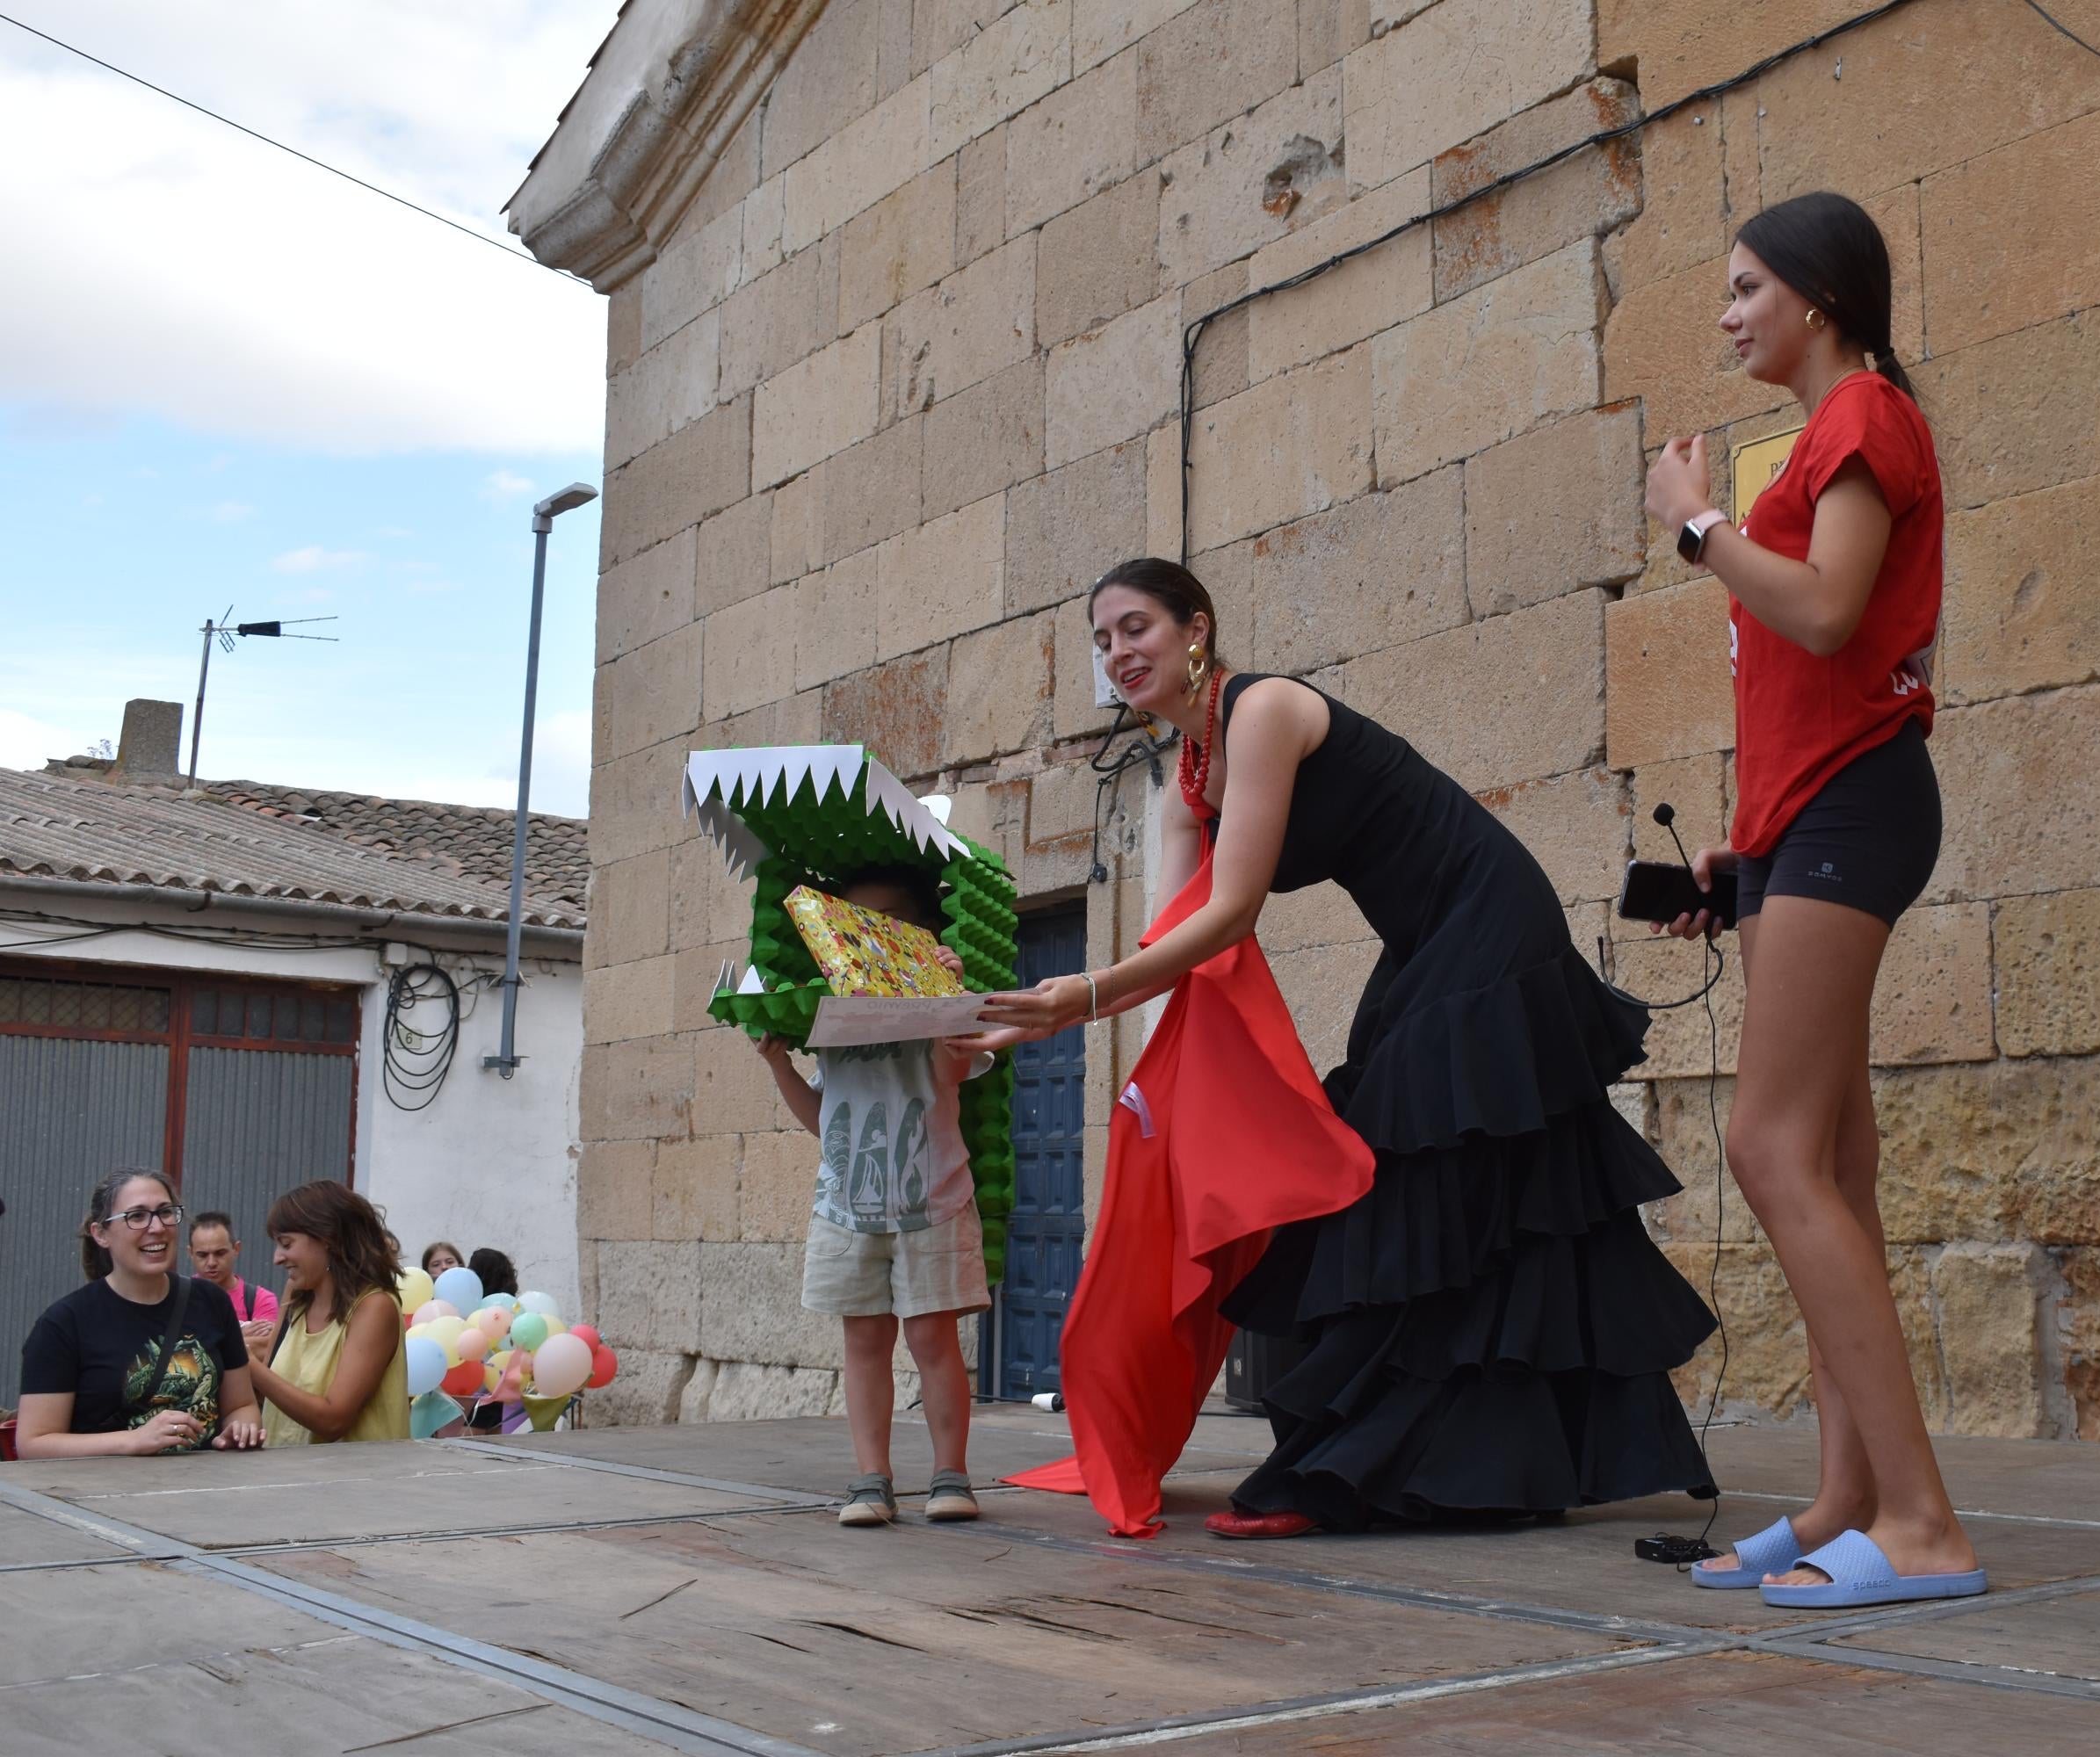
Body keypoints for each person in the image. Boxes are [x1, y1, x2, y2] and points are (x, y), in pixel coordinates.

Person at [976, 560, 1717, 1537]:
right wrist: (1150, 1093)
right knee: (1458, 1195)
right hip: (1424, 942)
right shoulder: (1182, 788)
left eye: (1135, 627)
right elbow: (1175, 944)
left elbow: (1232, 910)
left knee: (1399, 1180)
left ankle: (1352, 1469)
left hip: (1489, 916)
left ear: (1195, 627)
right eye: (1101, 638)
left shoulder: (1265, 710)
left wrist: (1087, 995)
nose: (1117, 652)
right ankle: (1492, 1464)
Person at [1642, 191, 1983, 1609]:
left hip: (1857, 806)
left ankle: (1920, 1522)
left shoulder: (1864, 419)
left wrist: (1698, 525)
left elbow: (1832, 612)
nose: (1726, 315)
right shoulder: (1832, 430)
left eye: (1743, 288)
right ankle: (1849, 1499)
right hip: (1807, 819)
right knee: (1832, 1165)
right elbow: (1806, 671)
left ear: (1818, 296)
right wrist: (1743, 849)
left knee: (1769, 1149)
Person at [757, 867, 996, 1528]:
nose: (868, 935)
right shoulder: (832, 1019)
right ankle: (872, 1479)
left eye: (889, 920)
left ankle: (952, 1473)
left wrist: (947, 987)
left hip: (933, 1203)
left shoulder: (936, 1011)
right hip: (846, 1209)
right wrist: (778, 1062)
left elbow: (959, 1060)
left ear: (920, 931)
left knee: (931, 1338)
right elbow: (822, 1120)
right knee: (863, 1341)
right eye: (852, 922)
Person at [16, 1169, 264, 1457]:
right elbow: (33, 1443)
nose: (156, 1227)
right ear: (100, 1233)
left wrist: (241, 1429)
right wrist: (132, 1440)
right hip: (103, 1496)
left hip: (205, 1492)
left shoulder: (212, 1302)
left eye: (165, 1212)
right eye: (137, 1216)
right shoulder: (63, 1324)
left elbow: (241, 1406)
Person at [247, 1181, 410, 1446]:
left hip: (357, 1482)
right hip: (285, 1476)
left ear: (328, 1239)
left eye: (286, 1244)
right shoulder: (296, 1295)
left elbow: (334, 1420)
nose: (277, 1258)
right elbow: (269, 1392)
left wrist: (250, 1367)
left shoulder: (374, 1308)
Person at [190, 1209, 279, 1356]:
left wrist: (203, 1340)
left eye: (220, 1253)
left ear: (236, 1249)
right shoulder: (178, 1296)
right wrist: (238, 1334)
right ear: (190, 1253)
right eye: (203, 1255)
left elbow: (266, 1348)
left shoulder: (261, 1299)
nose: (211, 1262)